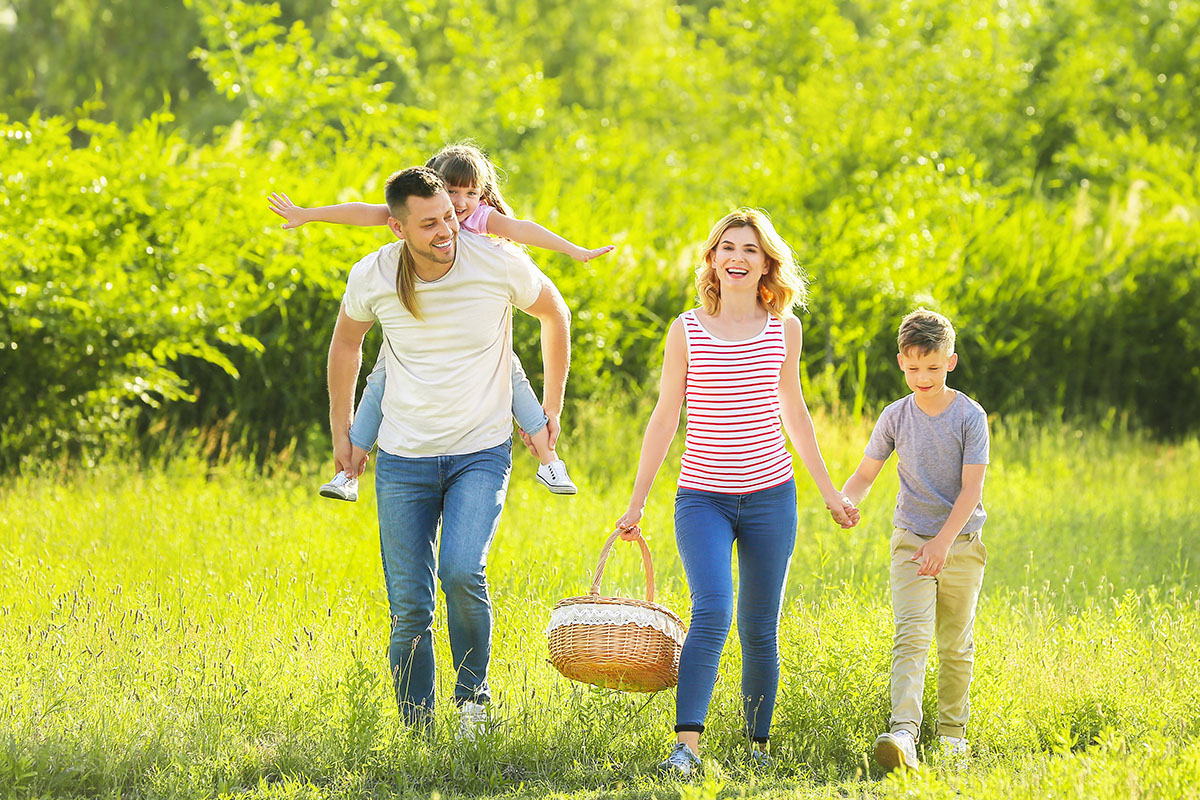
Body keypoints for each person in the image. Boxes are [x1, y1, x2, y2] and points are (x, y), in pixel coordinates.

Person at [614, 209, 859, 775]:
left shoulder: (784, 330)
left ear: (766, 263)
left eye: (750, 250)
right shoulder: (686, 328)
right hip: (702, 498)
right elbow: (663, 417)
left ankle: (757, 747)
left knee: (759, 623)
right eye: (727, 248)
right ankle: (686, 748)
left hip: (772, 496)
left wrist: (827, 491)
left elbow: (794, 414)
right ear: (712, 260)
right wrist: (635, 502)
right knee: (713, 611)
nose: (737, 258)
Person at [328, 165, 571, 733]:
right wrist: (342, 428)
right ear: (397, 228)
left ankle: (472, 702)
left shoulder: (495, 260)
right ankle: (418, 729)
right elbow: (346, 342)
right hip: (402, 459)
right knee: (410, 604)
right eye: (430, 224)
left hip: (480, 453)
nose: (447, 230)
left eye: (449, 217)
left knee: (463, 570)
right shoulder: (376, 274)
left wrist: (553, 403)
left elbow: (555, 313)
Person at [272, 144, 611, 500]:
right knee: (379, 385)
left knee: (513, 378)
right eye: (451, 191)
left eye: (471, 193)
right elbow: (364, 212)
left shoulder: (481, 221)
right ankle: (349, 472)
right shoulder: (407, 231)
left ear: (482, 194)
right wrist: (307, 214)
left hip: (477, 336)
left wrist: (574, 250)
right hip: (416, 351)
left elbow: (523, 230)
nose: (461, 204)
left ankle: (549, 459)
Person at [836, 308, 989, 771]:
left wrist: (943, 543)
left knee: (955, 644)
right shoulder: (895, 416)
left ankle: (952, 735)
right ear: (901, 362)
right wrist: (846, 499)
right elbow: (866, 473)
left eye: (934, 367)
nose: (924, 377)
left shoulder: (969, 416)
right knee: (911, 636)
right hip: (910, 542)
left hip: (960, 545)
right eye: (915, 367)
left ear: (951, 362)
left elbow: (971, 490)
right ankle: (904, 733)